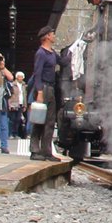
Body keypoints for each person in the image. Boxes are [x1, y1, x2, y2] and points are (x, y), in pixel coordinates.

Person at [29, 28, 62, 161]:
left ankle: (46, 151)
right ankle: (34, 150)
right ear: (47, 36)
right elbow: (37, 73)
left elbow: (63, 61)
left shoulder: (52, 53)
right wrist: (39, 92)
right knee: (39, 119)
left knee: (50, 121)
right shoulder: (41, 53)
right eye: (52, 34)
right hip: (43, 87)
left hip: (51, 88)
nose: (54, 36)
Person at [9, 70, 26, 140]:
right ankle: (11, 134)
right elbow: (10, 95)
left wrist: (25, 105)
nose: (20, 78)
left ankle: (15, 134)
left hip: (21, 104)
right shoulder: (13, 84)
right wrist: (10, 104)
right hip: (14, 104)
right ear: (16, 77)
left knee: (18, 120)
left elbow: (25, 95)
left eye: (22, 77)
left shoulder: (24, 85)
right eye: (19, 77)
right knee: (12, 119)